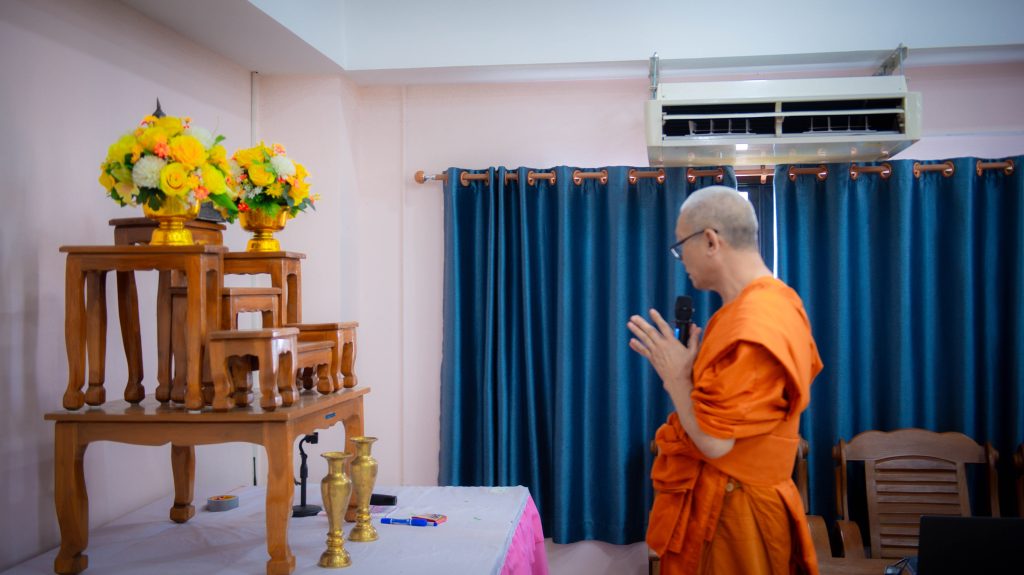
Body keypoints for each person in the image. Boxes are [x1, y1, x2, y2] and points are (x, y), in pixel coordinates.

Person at [626, 185, 823, 575]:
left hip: (738, 515)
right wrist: (689, 373)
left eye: (681, 246)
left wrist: (676, 378)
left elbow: (715, 442)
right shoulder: (752, 309)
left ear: (711, 241)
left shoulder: (758, 318)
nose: (680, 259)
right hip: (723, 501)